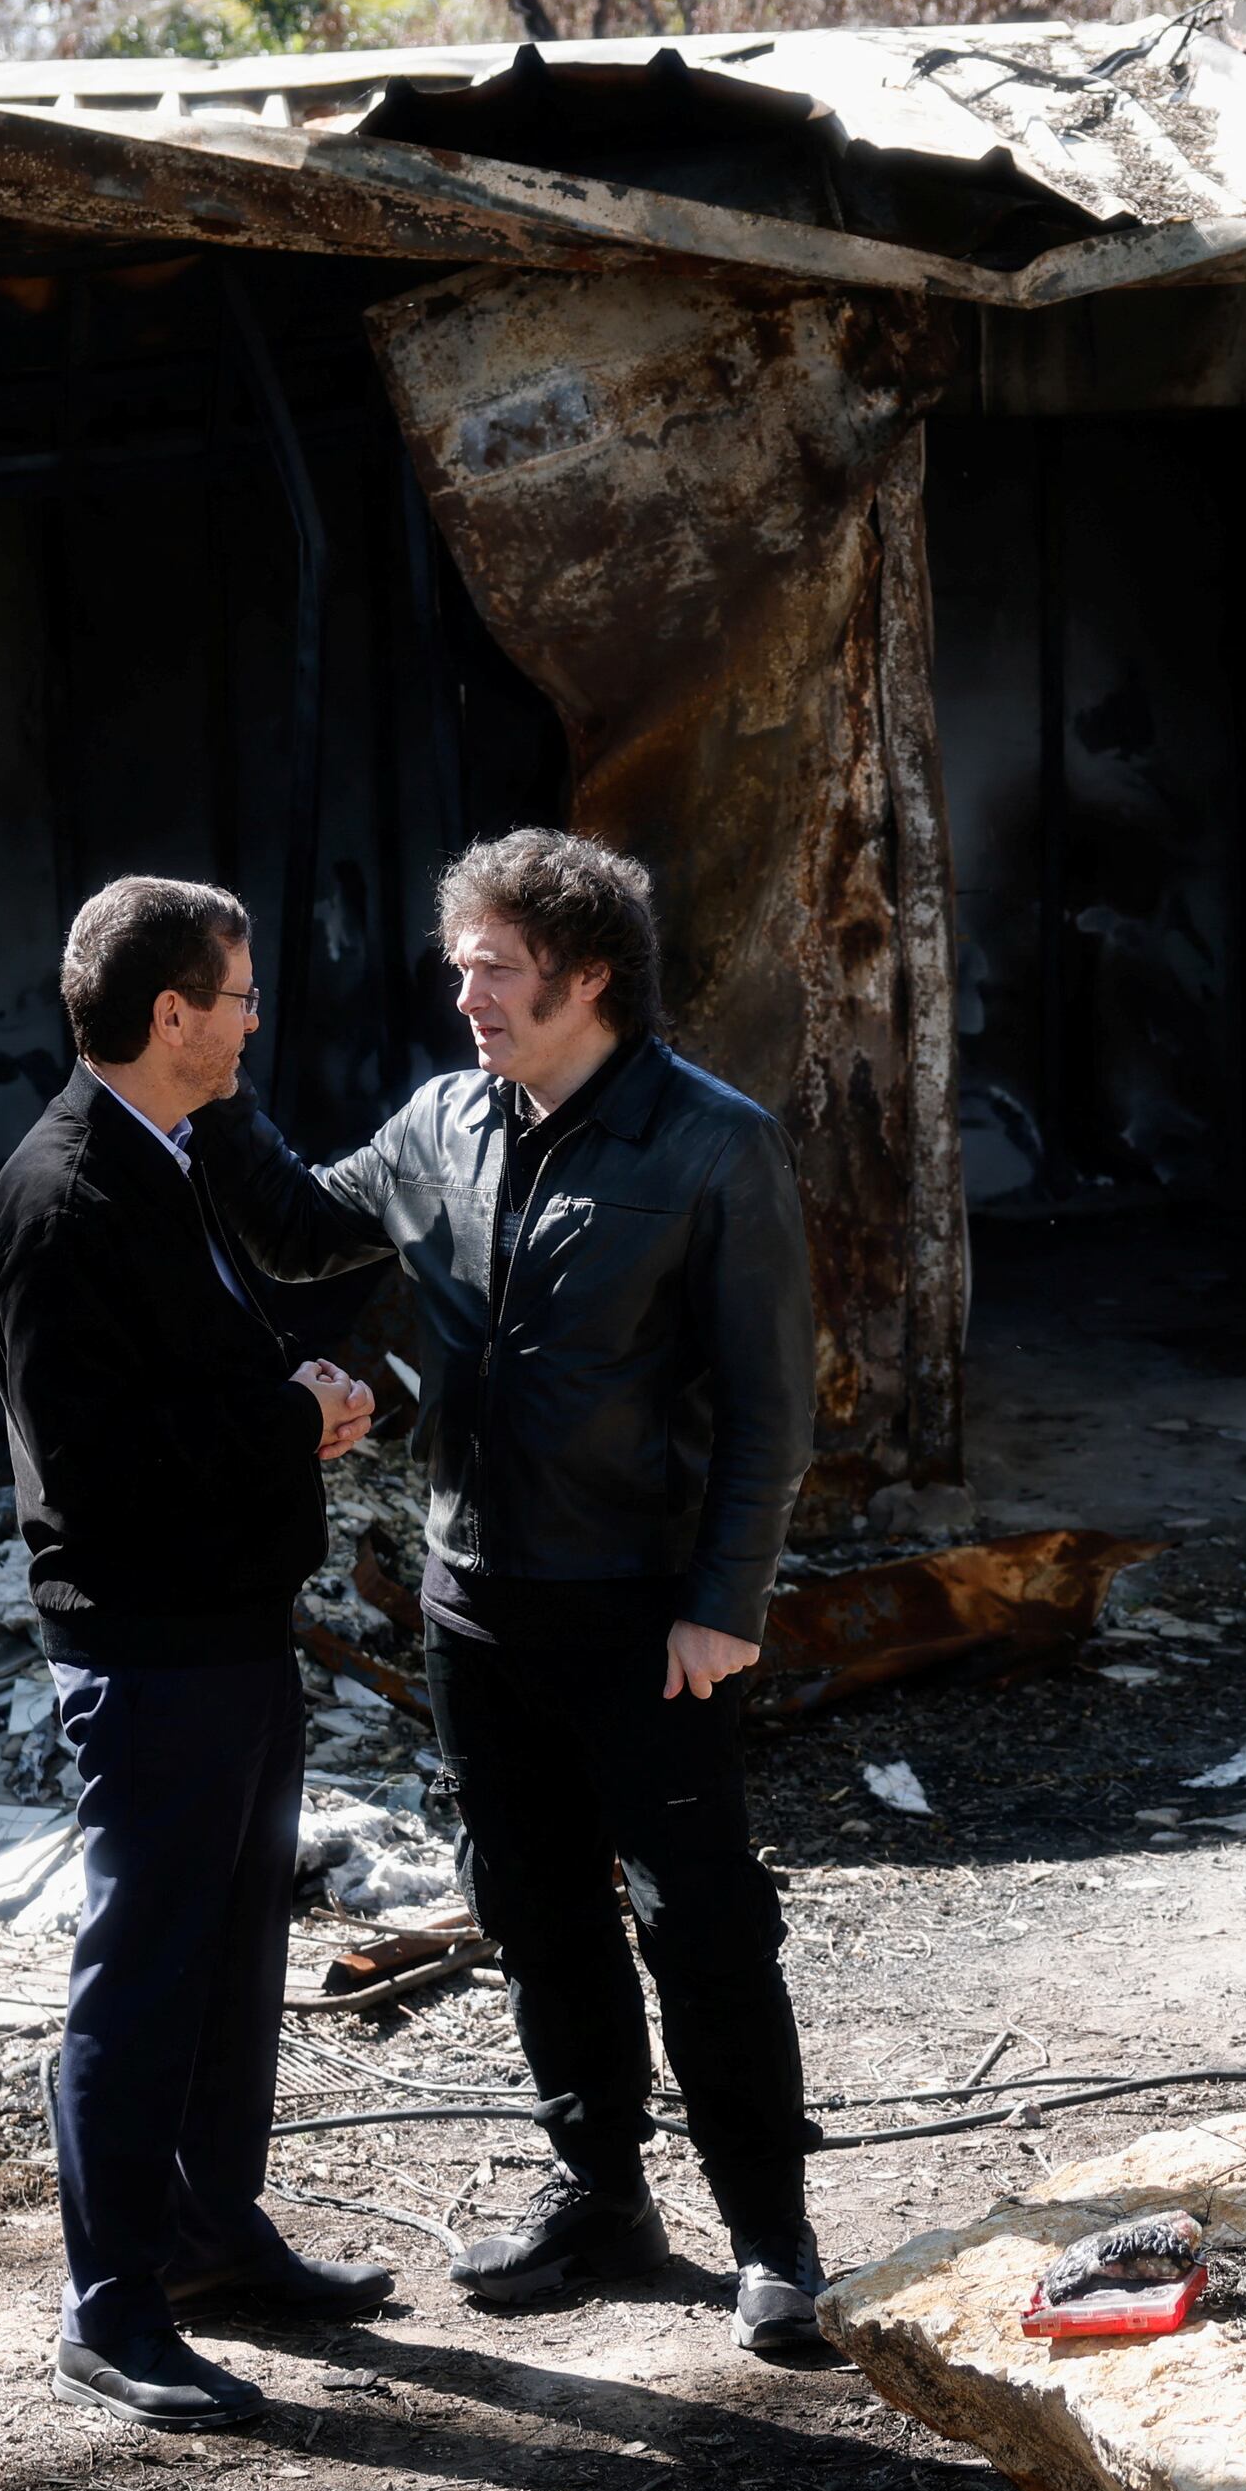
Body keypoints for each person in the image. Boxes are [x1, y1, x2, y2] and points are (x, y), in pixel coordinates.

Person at [193, 829, 831, 2352]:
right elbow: (297, 1231)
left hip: (646, 1612)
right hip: (479, 1607)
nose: (462, 991)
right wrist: (207, 1085)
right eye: (459, 963)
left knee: (705, 1930)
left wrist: (724, 1602)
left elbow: (772, 1405)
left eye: (493, 967)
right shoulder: (439, 1128)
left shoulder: (709, 1145)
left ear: (587, 975)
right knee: (536, 1913)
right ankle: (599, 2195)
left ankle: (775, 2235)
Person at [0, 875, 394, 2431]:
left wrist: (305, 1397)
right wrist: (286, 1417)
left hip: (229, 1625)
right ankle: (110, 2306)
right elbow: (100, 1464)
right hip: (147, 1646)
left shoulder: (180, 1151)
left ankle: (215, 2236)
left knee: (231, 1964)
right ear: (170, 1017)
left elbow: (204, 1367)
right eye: (235, 996)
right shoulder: (63, 1196)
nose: (252, 1020)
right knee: (143, 1975)